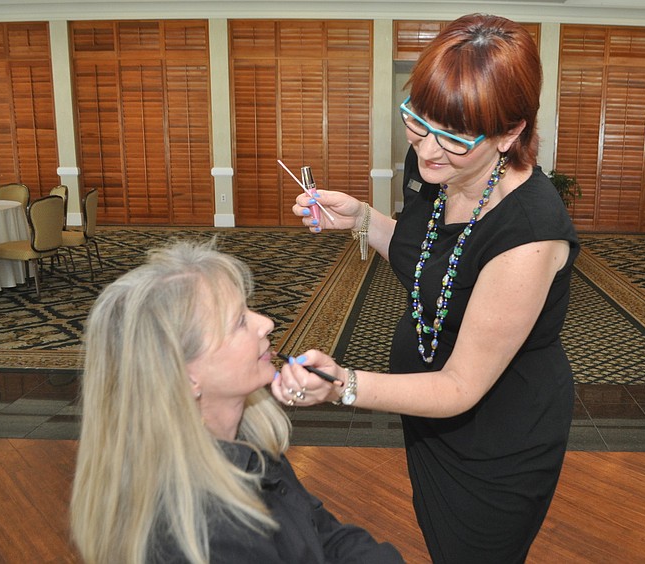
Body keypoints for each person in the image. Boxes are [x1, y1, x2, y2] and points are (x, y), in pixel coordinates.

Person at [278, 13, 580, 564]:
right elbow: (434, 260)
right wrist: (361, 219)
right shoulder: (436, 170)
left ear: (511, 132)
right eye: (418, 121)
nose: (428, 149)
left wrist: (343, 385)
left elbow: (462, 386)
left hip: (497, 438)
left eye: (455, 136)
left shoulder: (530, 233)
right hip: (428, 419)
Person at [69, 240, 403, 564]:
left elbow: (324, 535)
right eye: (239, 322)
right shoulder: (208, 532)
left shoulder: (248, 446)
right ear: (186, 379)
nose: (266, 323)